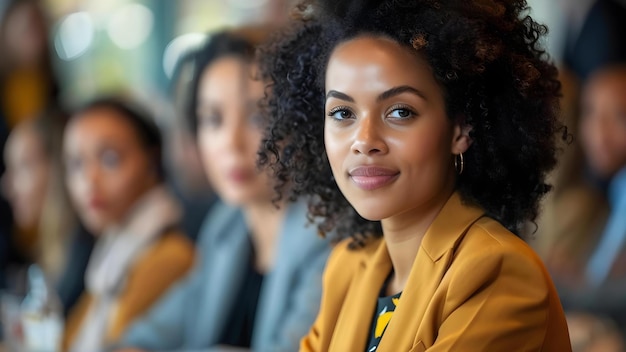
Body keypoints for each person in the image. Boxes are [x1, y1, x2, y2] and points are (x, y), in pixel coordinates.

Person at [258, 0, 572, 350]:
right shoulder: (347, 266)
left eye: (400, 111)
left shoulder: (497, 271)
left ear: (461, 130)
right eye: (343, 112)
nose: (364, 141)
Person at [114, 28, 331, 352]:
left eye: (259, 117)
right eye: (213, 119)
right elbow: (148, 335)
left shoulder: (327, 235)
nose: (231, 144)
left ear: (299, 119)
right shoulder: (225, 226)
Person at [61, 97, 196, 351]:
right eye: (77, 164)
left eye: (110, 160)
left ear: (152, 162)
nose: (89, 181)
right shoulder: (113, 249)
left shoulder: (169, 257)